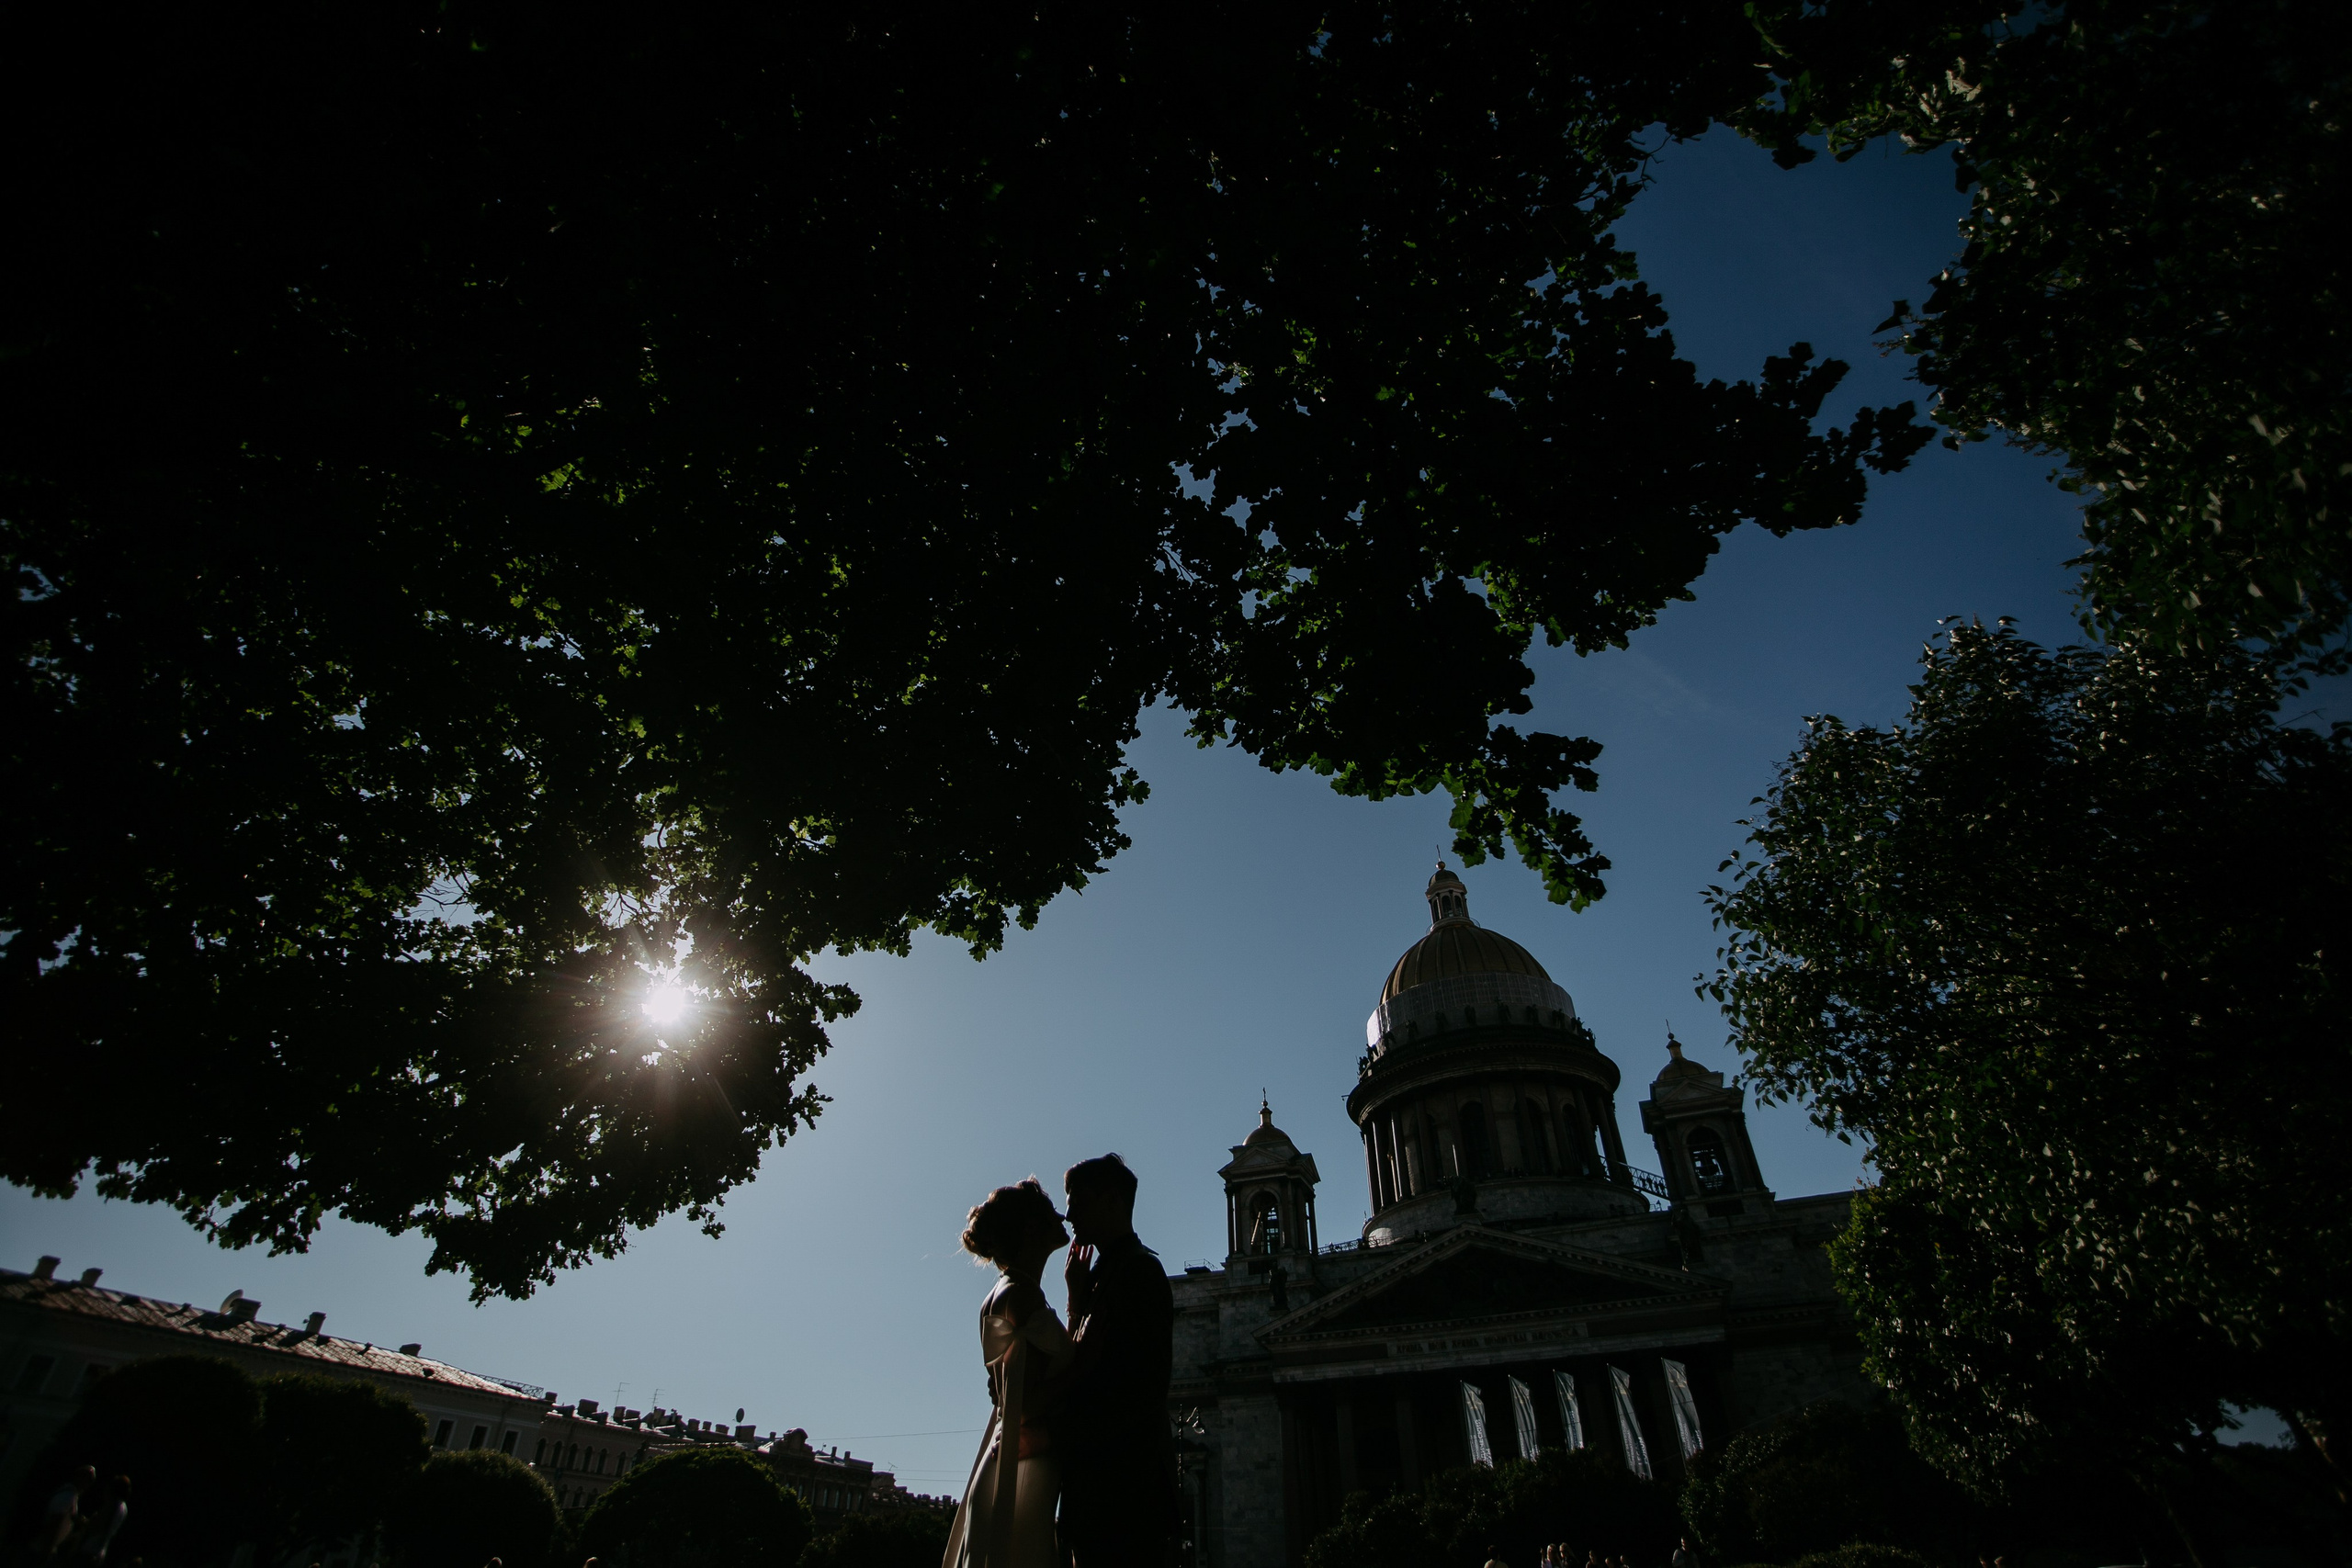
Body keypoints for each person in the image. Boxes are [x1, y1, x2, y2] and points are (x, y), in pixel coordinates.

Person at [943, 1179, 1077, 1568]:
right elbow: (1025, 1404)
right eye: (1051, 1210)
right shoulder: (1021, 1294)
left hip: (1015, 1458)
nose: (1062, 1215)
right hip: (1024, 1463)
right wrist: (1088, 1362)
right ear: (1031, 1228)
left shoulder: (1010, 1291)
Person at [1058, 1153, 1177, 1567]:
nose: (1068, 1212)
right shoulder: (1109, 1273)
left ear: (1111, 1200)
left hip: (1121, 1498)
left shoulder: (1140, 1274)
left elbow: (1125, 1388)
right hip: (1105, 1494)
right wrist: (1077, 1301)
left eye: (1077, 1200)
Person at [66, 1476, 129, 1564]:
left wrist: (84, 1522)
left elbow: (98, 1528)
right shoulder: (123, 1508)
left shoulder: (113, 1506)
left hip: (89, 1552)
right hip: (99, 1553)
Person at [36, 1466, 95, 1555]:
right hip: (41, 1548)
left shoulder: (72, 1496)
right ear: (77, 1476)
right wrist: (49, 1547)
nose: (86, 1483)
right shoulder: (68, 1496)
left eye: (89, 1480)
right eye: (84, 1477)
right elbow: (55, 1521)